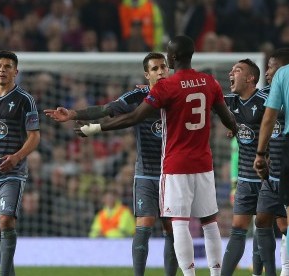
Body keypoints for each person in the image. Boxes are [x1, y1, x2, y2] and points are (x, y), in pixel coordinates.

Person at [74, 35, 237, 276]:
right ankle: (216, 273)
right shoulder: (209, 81)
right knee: (209, 222)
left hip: (175, 164)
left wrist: (97, 128)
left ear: (172, 58)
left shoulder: (167, 88)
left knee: (178, 224)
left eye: (166, 59)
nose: (162, 67)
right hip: (203, 163)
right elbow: (225, 115)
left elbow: (133, 117)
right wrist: (233, 128)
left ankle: (189, 274)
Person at [44, 52, 178, 275]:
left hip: (173, 173)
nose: (161, 71)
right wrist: (73, 114)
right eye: (155, 68)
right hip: (146, 173)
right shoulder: (137, 97)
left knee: (171, 229)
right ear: (147, 74)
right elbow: (107, 109)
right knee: (143, 226)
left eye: (164, 67)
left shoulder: (178, 96)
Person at [0, 50, 40, 276]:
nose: (2, 70)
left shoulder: (25, 100)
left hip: (12, 172)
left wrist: (17, 157)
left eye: (7, 66)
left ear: (16, 71)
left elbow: (34, 136)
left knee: (6, 220)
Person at [221, 59, 286, 276]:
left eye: (237, 70)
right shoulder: (230, 102)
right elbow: (206, 100)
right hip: (245, 178)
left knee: (273, 226)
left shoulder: (267, 99)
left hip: (268, 176)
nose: (231, 73)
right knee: (239, 227)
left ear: (250, 78)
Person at [253, 48, 289, 276]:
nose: (267, 73)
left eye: (271, 67)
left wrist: (259, 153)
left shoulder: (283, 75)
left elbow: (269, 117)